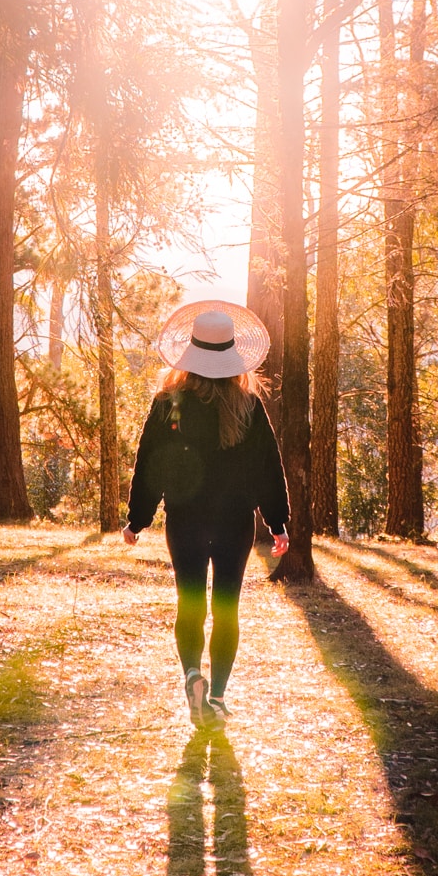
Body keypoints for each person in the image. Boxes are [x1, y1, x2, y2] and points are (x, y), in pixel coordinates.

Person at [123, 298, 291, 727]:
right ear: (233, 355)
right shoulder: (249, 406)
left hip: (186, 519)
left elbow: (149, 463)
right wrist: (278, 523)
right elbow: (268, 465)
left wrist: (137, 519)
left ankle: (192, 675)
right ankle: (216, 697)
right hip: (235, 521)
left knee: (190, 602)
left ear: (190, 353)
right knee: (227, 606)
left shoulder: (169, 402)